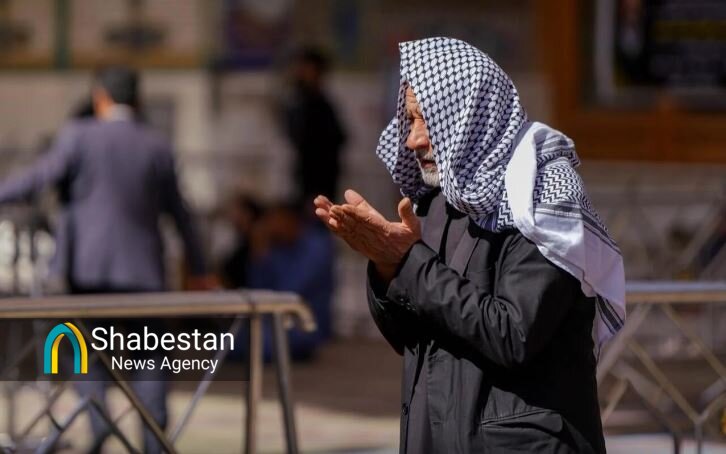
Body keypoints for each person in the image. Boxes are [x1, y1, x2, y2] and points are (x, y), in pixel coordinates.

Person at [315, 37, 626, 453]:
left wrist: (408, 262)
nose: (412, 141)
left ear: (466, 115)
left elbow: (513, 334)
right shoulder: (439, 201)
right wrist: (386, 267)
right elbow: (411, 336)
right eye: (410, 121)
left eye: (425, 121)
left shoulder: (541, 195)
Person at [0, 66, 213, 453]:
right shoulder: (157, 144)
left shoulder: (79, 136)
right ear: (138, 100)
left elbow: (38, 179)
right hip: (145, 274)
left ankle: (99, 428)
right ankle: (154, 442)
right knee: (150, 360)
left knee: (83, 354)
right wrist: (200, 269)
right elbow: (181, 215)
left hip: (88, 273)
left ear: (100, 96)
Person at [284, 47, 347, 203]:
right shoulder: (298, 102)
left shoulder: (321, 104)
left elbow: (337, 138)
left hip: (321, 178)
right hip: (306, 178)